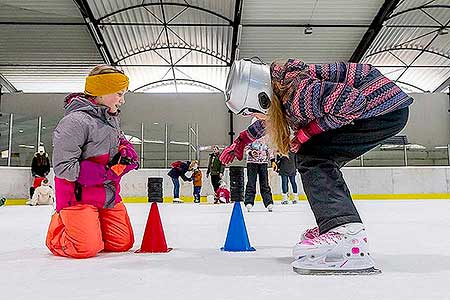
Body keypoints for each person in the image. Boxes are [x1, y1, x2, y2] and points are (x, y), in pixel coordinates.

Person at [220, 57, 413, 274]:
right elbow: (272, 120)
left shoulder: (299, 94)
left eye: (250, 111)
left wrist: (307, 132)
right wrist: (242, 141)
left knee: (315, 156)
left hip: (383, 111)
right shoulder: (283, 89)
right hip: (381, 110)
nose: (254, 117)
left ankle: (345, 234)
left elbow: (353, 102)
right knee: (314, 155)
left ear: (262, 98)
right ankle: (337, 224)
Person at [46, 65, 138, 259]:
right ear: (102, 92)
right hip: (76, 195)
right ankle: (58, 230)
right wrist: (108, 172)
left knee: (122, 243)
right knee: (85, 249)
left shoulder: (111, 118)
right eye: (119, 94)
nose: (123, 100)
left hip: (105, 193)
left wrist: (127, 152)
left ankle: (89, 229)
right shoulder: (75, 122)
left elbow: (117, 141)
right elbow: (64, 168)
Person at [243, 128, 274, 212]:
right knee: (251, 182)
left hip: (263, 162)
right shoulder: (249, 136)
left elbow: (269, 148)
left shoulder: (266, 136)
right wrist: (250, 152)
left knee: (265, 183)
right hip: (252, 162)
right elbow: (246, 147)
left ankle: (268, 202)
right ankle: (249, 201)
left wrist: (272, 160)